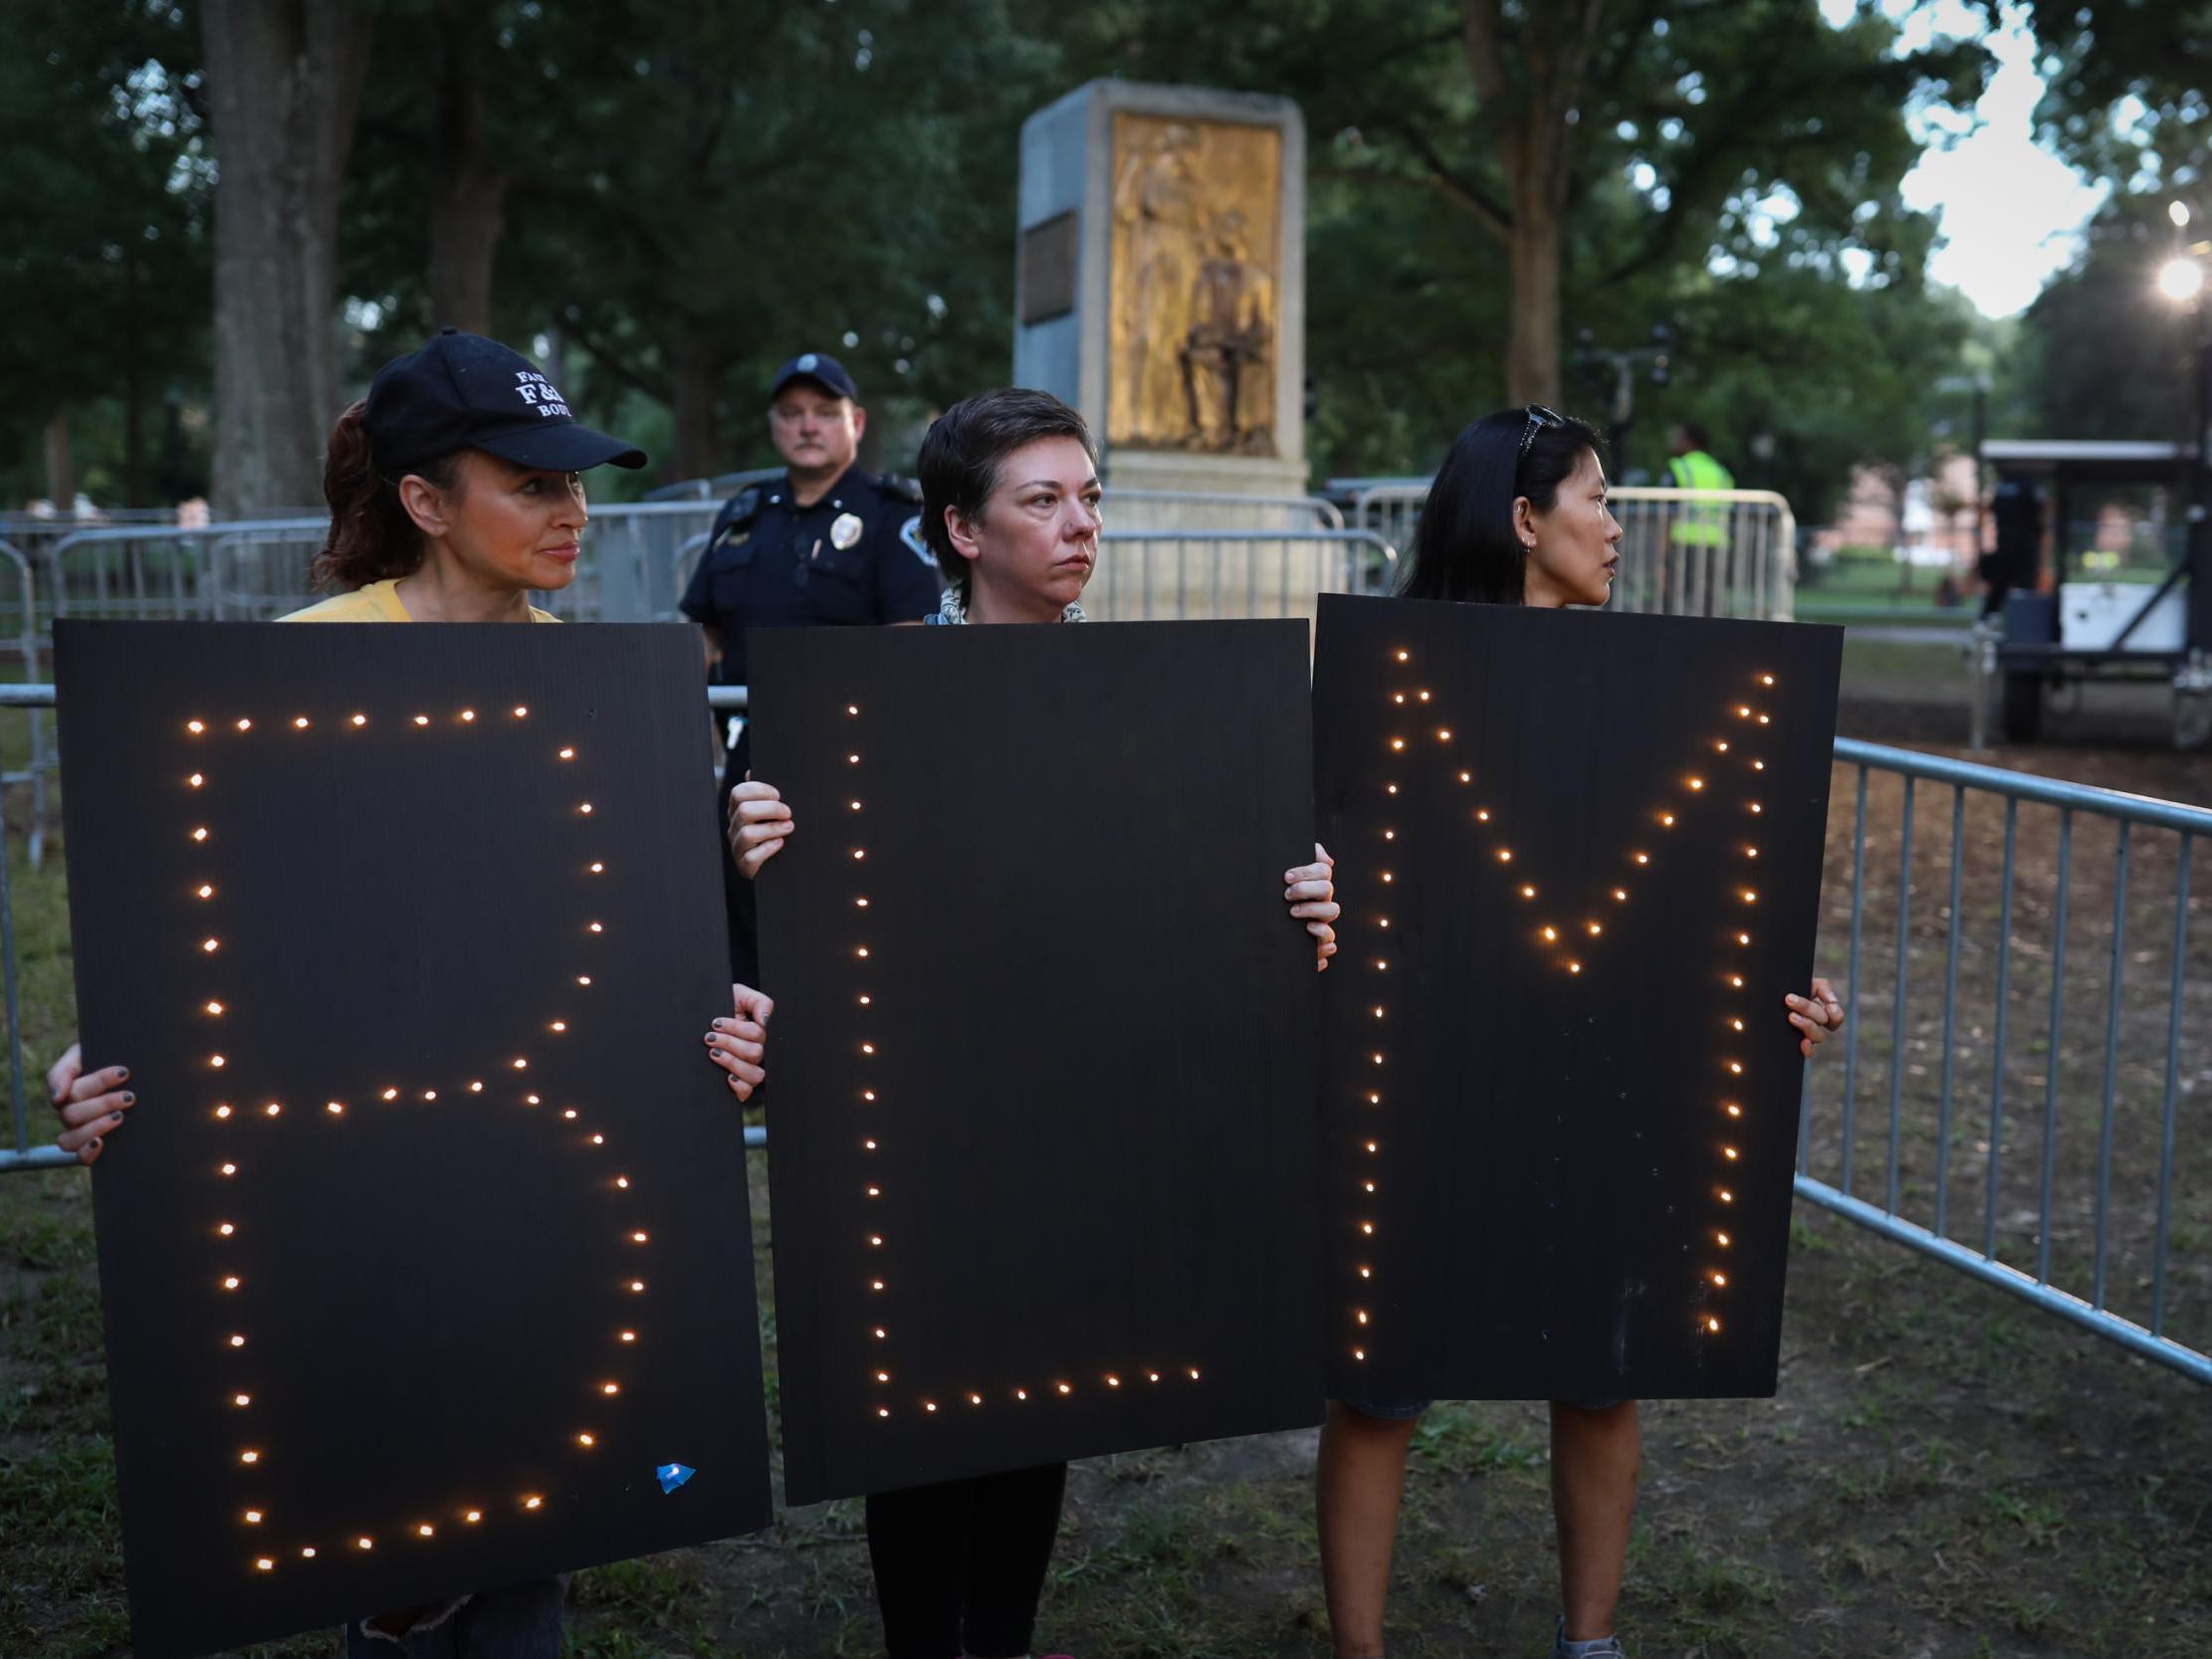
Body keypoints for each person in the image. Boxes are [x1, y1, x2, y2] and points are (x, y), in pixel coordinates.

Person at [53, 328, 776, 1659]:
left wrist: (730, 1004)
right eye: (532, 484)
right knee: (391, 1497)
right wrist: (101, 1058)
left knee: (524, 1497)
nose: (570, 512)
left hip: (542, 1168)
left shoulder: (612, 694)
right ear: (425, 502)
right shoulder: (300, 669)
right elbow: (205, 916)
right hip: (355, 1153)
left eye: (575, 484)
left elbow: (653, 950)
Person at [727, 386, 1340, 1659]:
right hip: (931, 1112)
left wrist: (1300, 894)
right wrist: (746, 846)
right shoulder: (867, 697)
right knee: (925, 1404)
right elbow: (757, 902)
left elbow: (1198, 889)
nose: (1079, 526)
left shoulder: (1151, 705)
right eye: (1042, 500)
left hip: (1084, 1101)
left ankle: (998, 1638)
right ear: (961, 529)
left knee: (1038, 1382)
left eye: (1091, 498)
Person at [1314, 405, 1847, 1659]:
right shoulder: (1388, 683)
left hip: (1603, 1068)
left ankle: (1589, 1639)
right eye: (1597, 498)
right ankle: (1357, 1649)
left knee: (1604, 1354)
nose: (1614, 525)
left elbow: (1706, 889)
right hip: (1429, 1070)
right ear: (1521, 519)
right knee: (1383, 1372)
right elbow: (1326, 864)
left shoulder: (1655, 698)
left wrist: (1775, 992)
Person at [681, 351, 945, 983]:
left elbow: (910, 645)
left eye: (825, 413)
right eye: (792, 413)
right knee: (741, 921)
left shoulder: (891, 514)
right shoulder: (745, 514)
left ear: (855, 422)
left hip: (848, 758)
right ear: (775, 425)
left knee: (842, 933)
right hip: (747, 754)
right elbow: (701, 631)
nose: (807, 426)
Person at [1664, 421, 1735, 613]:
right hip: (1717, 544)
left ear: (1688, 442)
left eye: (1679, 438)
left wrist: (1664, 548)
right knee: (1711, 601)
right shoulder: (1721, 473)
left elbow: (1668, 510)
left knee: (1676, 599)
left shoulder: (1679, 467)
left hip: (1684, 541)